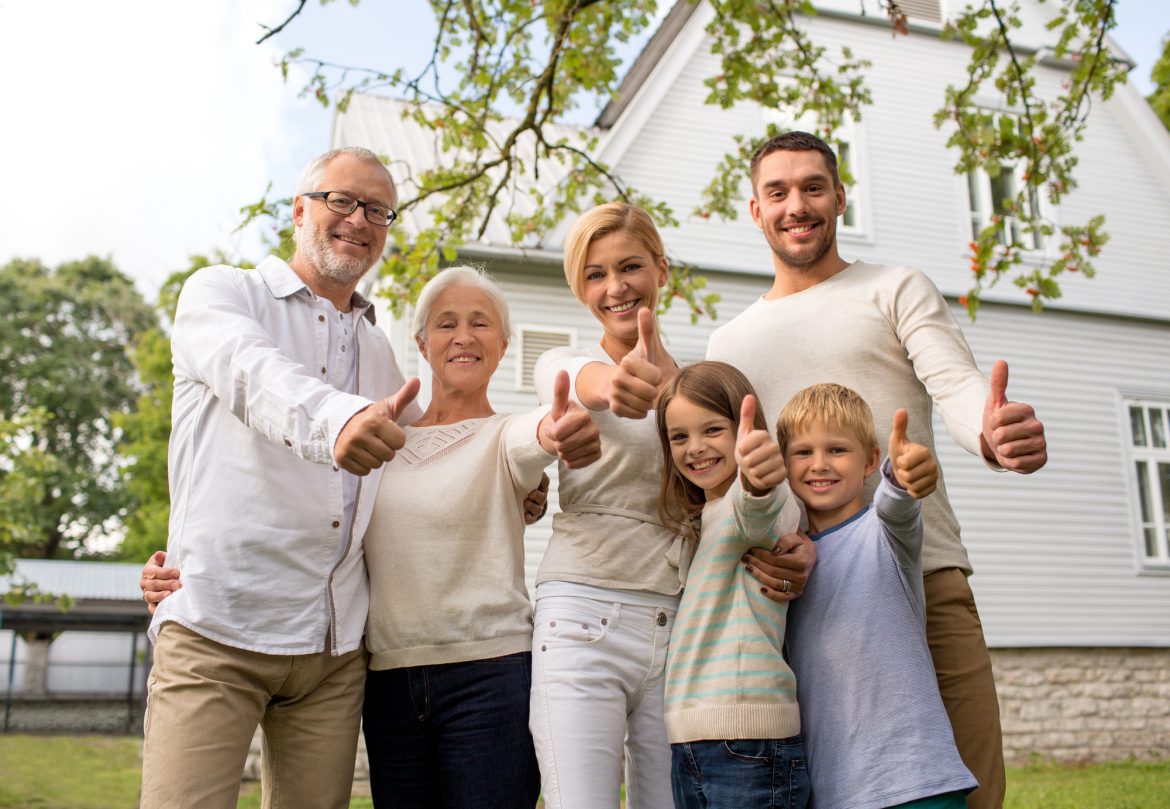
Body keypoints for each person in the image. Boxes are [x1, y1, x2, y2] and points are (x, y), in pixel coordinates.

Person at [137, 147, 545, 809]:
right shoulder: (223, 295)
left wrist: (519, 486)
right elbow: (254, 377)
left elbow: (436, 449)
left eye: (378, 210)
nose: (360, 219)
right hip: (218, 625)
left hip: (332, 650)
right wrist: (340, 421)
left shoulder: (382, 355)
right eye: (342, 201)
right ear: (299, 210)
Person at [706, 130, 1048, 809]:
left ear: (839, 196)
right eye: (778, 192)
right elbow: (728, 481)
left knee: (973, 788)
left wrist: (990, 429)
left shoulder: (893, 287)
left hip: (927, 575)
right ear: (755, 209)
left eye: (812, 187)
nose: (796, 205)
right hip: (806, 603)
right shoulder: (730, 342)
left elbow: (955, 385)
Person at [359, 266, 600, 808]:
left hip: (491, 680)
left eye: (480, 323)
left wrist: (558, 429)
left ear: (502, 343)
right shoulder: (380, 445)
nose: (463, 336)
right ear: (421, 343)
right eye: (447, 324)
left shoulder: (504, 435)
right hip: (389, 684)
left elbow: (537, 433)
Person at [528, 202, 687, 809]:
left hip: (680, 624)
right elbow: (578, 378)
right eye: (595, 274)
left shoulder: (701, 384)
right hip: (582, 617)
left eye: (629, 267)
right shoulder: (565, 368)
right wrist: (614, 386)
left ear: (661, 269)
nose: (615, 287)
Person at [779, 384, 978, 808]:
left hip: (918, 779)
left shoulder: (884, 533)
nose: (819, 465)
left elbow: (898, 502)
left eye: (836, 450)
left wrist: (906, 472)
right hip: (835, 790)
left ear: (869, 460)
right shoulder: (788, 557)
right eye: (802, 452)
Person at [654, 362, 807, 809]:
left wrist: (759, 477)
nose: (695, 448)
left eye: (713, 430)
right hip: (697, 741)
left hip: (746, 742)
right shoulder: (708, 516)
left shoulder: (748, 509)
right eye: (679, 437)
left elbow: (757, 504)